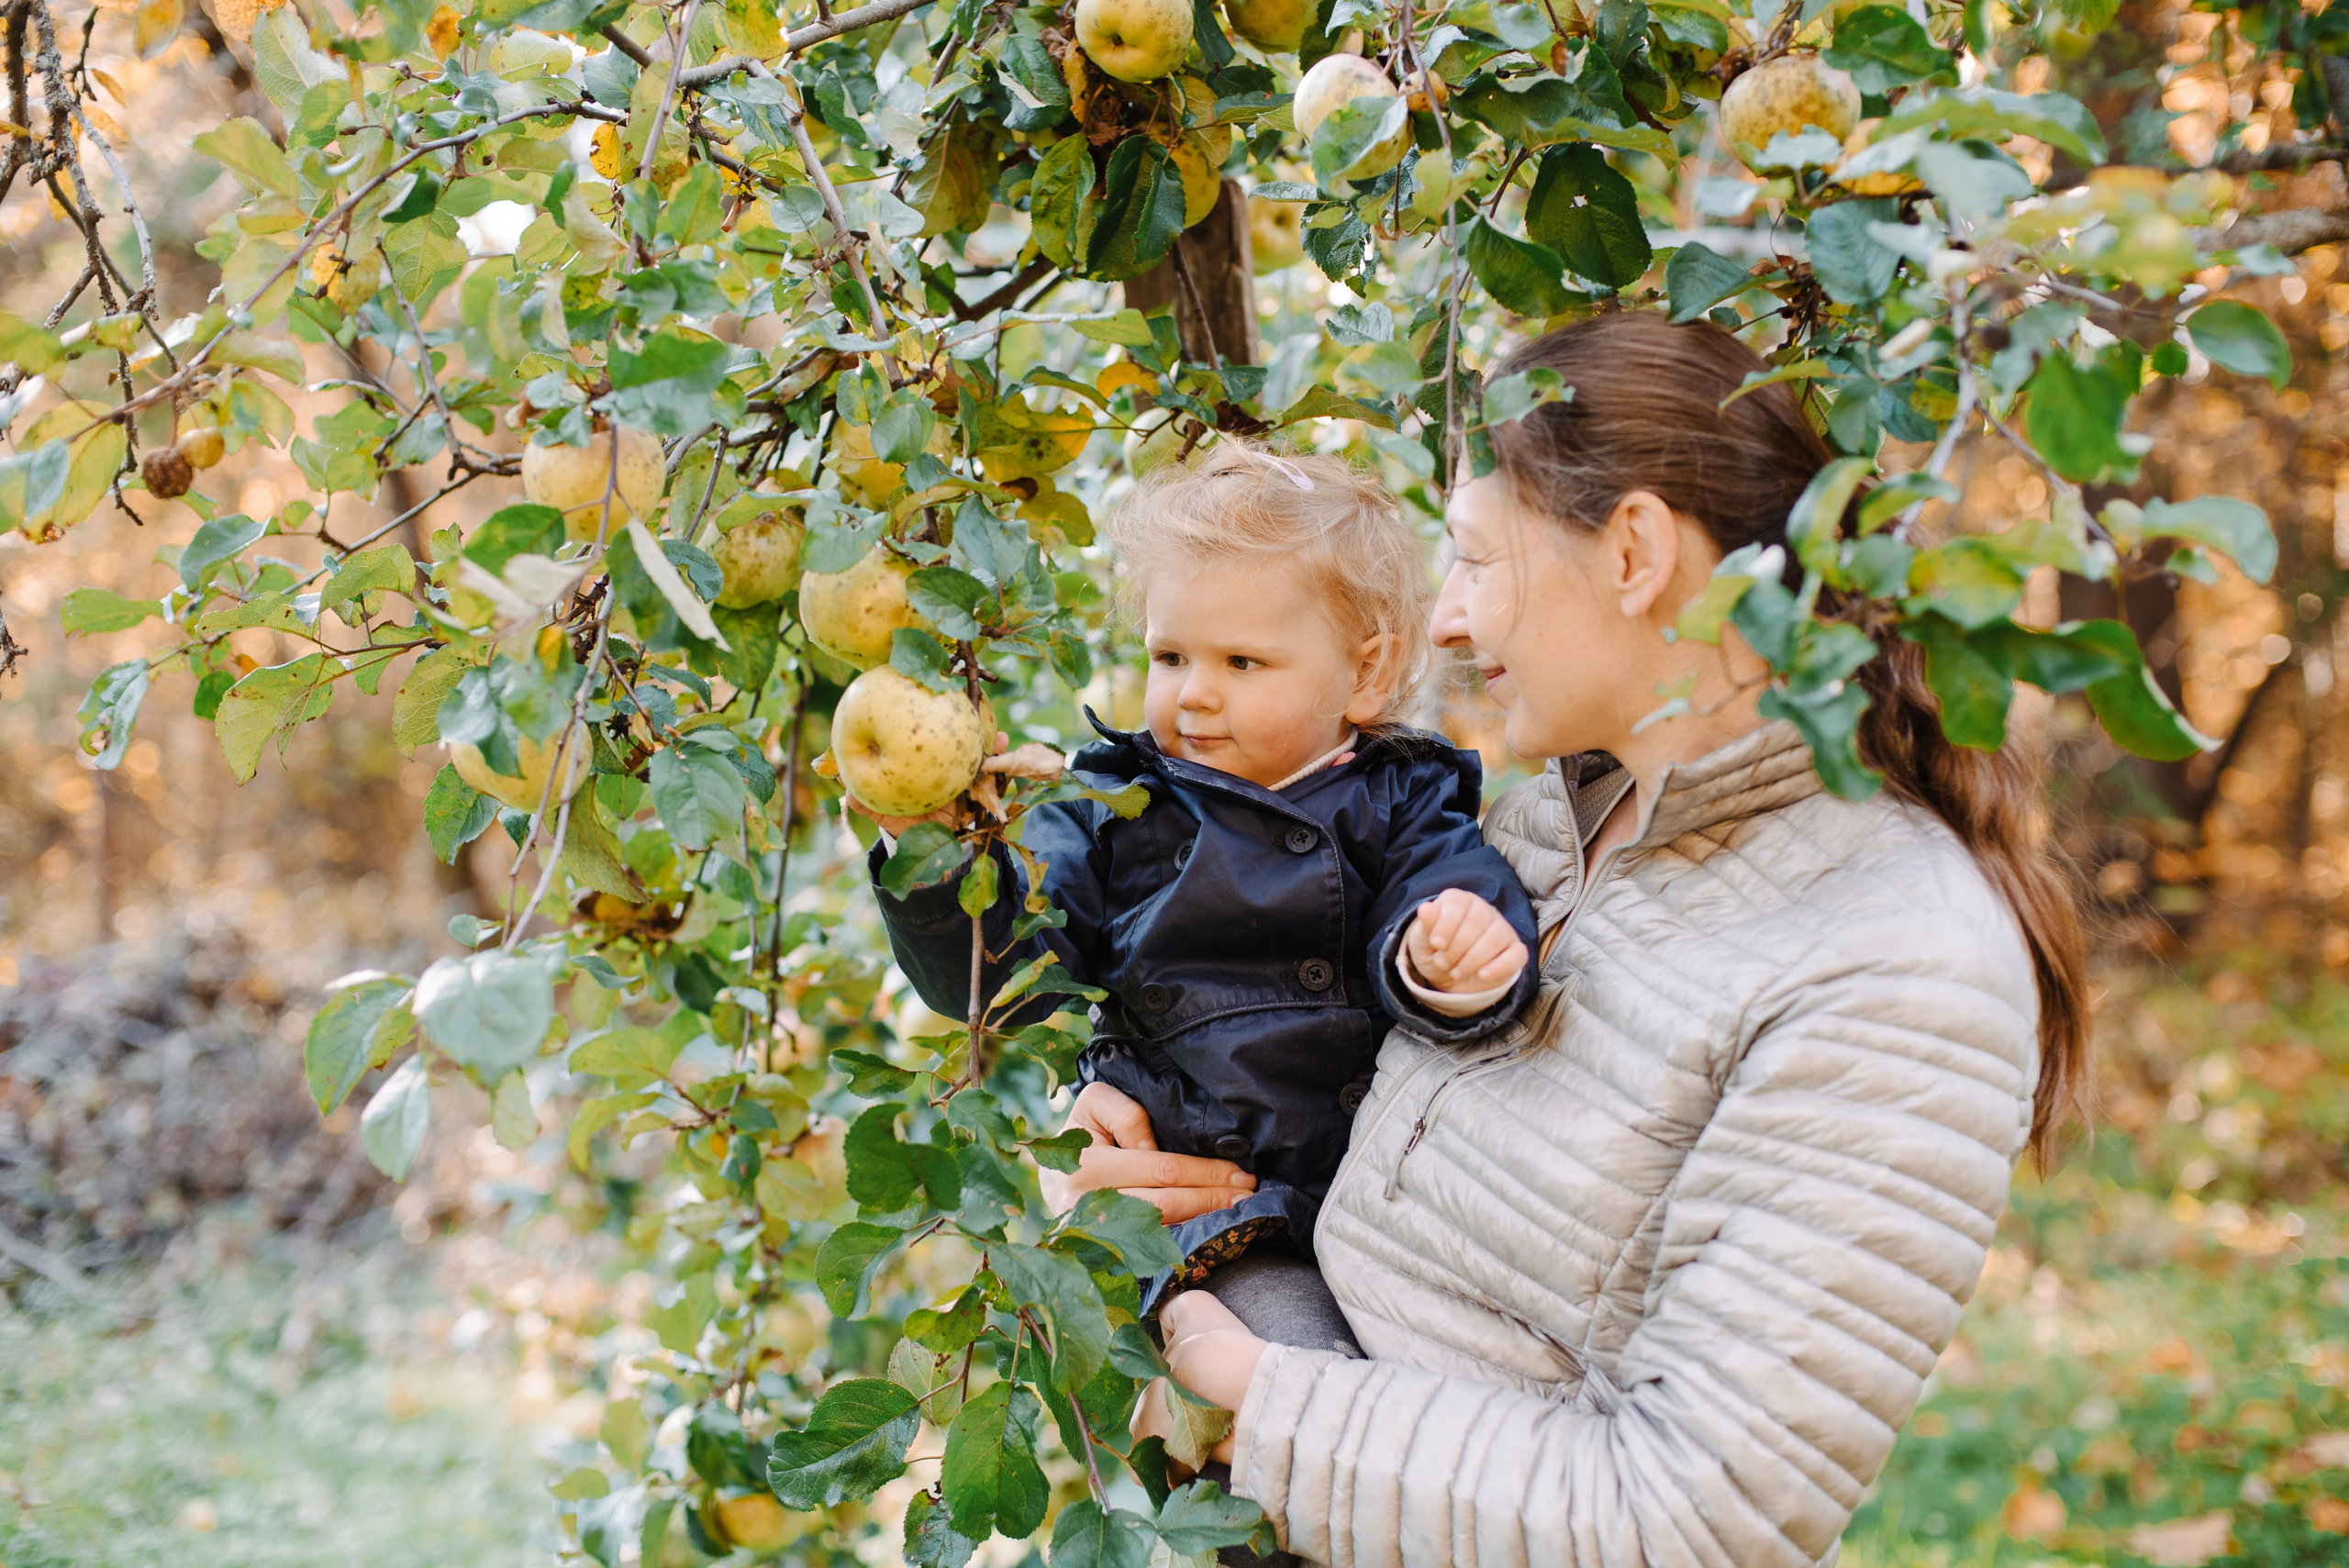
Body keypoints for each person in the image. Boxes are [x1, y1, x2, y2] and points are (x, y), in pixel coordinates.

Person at [1076, 311, 2089, 1567]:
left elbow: (1698, 1521)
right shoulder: (1545, 824)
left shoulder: (1895, 958)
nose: (1443, 624)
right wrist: (1149, 1142)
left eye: (1476, 561)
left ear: (1633, 552)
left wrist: (1270, 1401)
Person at [867, 444, 1539, 1331]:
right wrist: (932, 852)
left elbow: (1447, 887)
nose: (1194, 696)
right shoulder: (1116, 801)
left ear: (1367, 672)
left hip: (1387, 1193)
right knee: (1294, 1372)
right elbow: (996, 972)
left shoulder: (1400, 793)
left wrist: (1454, 952)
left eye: (1242, 664)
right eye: (1171, 655)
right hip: (1218, 1222)